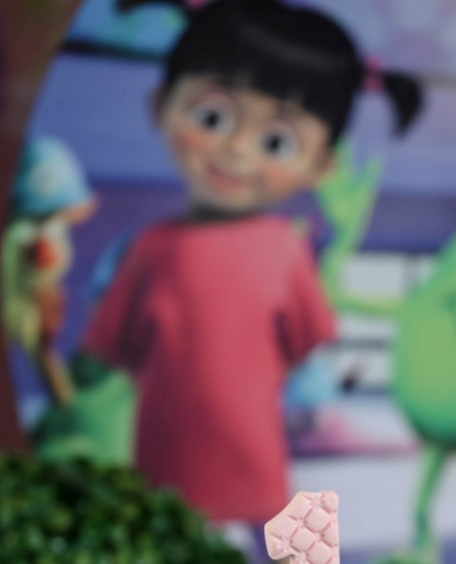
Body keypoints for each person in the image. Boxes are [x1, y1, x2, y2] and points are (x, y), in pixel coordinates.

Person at [82, 0, 421, 525]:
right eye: (212, 118)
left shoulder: (286, 250)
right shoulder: (148, 251)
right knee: (170, 543)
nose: (238, 150)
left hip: (259, 448)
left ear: (322, 165)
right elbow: (109, 354)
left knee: (293, 530)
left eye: (276, 142)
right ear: (160, 106)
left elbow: (306, 346)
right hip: (161, 455)